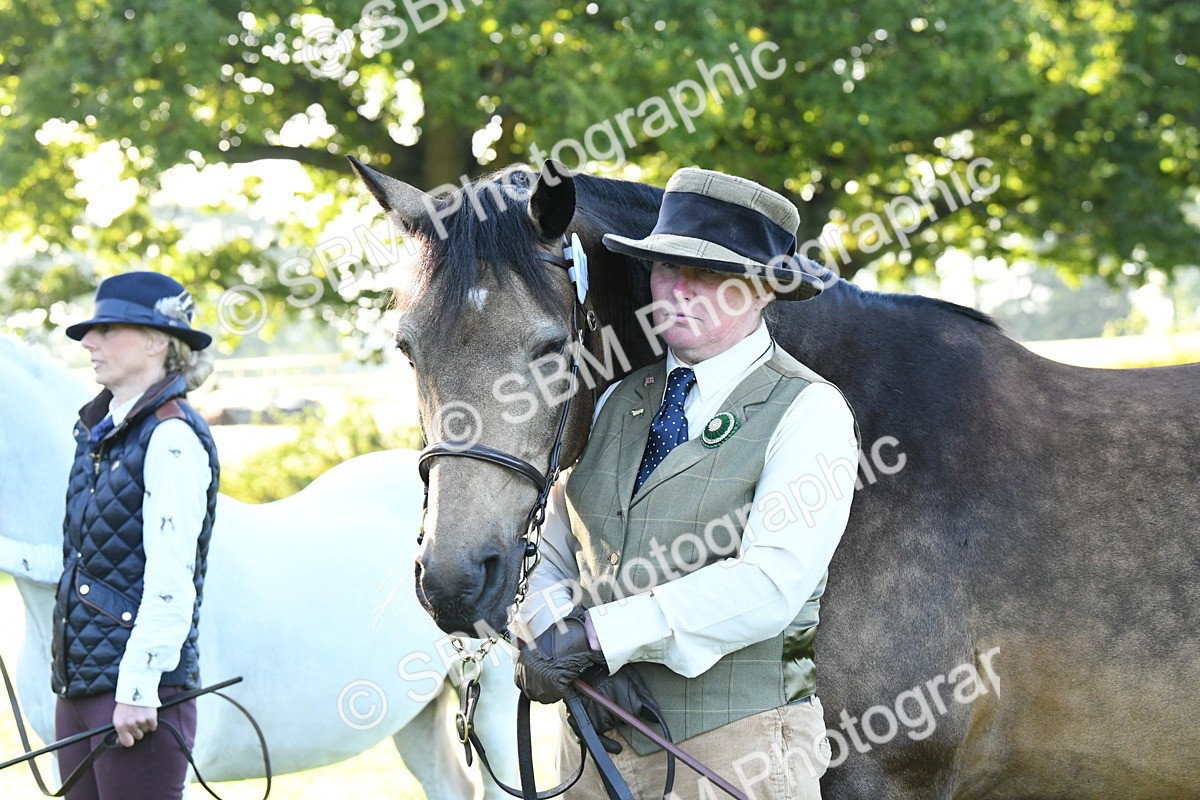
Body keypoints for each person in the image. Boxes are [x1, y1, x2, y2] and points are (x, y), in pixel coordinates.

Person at [514, 168, 859, 799]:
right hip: (593, 748)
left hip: (742, 755)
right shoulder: (616, 398)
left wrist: (600, 638)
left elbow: (770, 584)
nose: (678, 289)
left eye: (708, 274)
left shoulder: (810, 410)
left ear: (762, 291)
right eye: (666, 268)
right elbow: (556, 539)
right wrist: (548, 624)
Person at [51, 271, 219, 800]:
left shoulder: (170, 438)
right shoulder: (98, 435)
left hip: (137, 691)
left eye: (107, 329)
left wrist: (141, 687)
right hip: (81, 685)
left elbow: (172, 578)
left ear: (155, 341)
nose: (88, 342)